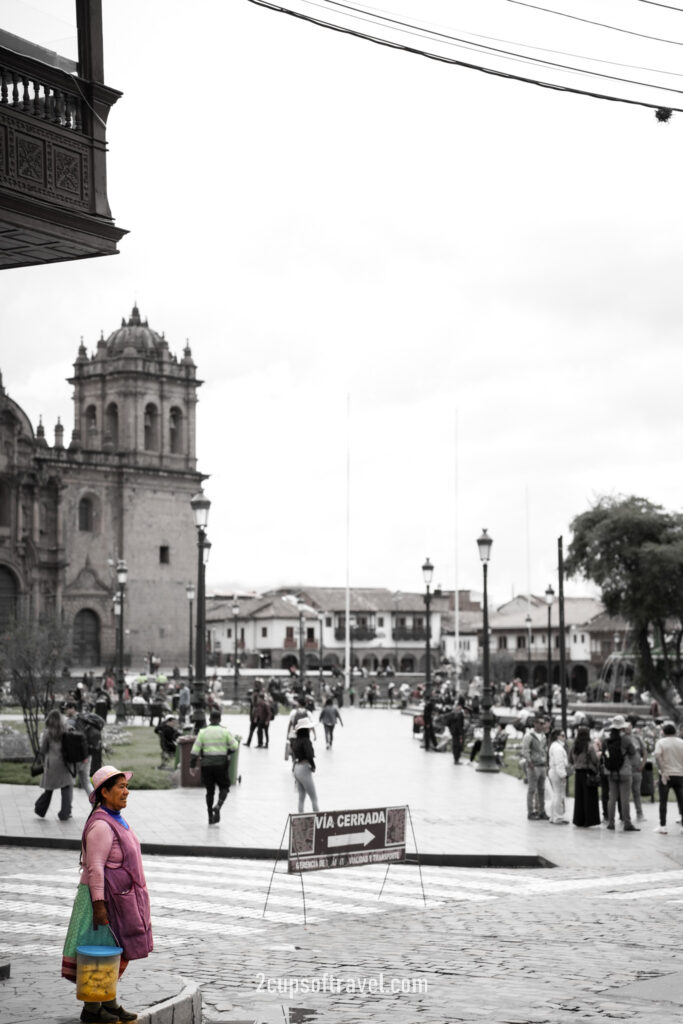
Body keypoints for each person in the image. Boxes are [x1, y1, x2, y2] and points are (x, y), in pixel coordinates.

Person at [61, 765, 153, 1024]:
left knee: (115, 950)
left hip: (119, 897)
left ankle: (109, 1002)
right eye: (121, 787)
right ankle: (91, 1009)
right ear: (105, 792)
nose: (127, 792)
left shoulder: (116, 818)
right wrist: (99, 905)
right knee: (99, 951)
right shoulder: (101, 825)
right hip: (102, 900)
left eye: (126, 786)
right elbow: (95, 867)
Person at [190, 708, 239, 824]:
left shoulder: (202, 732)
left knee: (209, 791)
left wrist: (192, 766)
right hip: (221, 765)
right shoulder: (225, 732)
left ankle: (209, 817)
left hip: (206, 765)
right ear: (220, 719)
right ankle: (218, 806)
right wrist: (227, 751)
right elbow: (234, 747)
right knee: (224, 788)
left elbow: (195, 750)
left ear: (210, 719)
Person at [34, 708, 74, 821]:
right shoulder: (67, 729)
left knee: (49, 789)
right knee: (66, 787)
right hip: (65, 763)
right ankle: (65, 813)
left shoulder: (47, 732)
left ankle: (40, 809)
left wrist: (40, 757)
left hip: (52, 764)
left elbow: (43, 750)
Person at [605, 715, 639, 831]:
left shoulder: (607, 739)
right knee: (625, 799)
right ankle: (627, 823)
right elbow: (633, 752)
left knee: (612, 798)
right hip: (624, 771)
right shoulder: (626, 739)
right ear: (622, 727)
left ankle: (610, 823)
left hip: (611, 772)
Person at [653, 722, 683, 834]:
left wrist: (663, 771)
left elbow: (657, 756)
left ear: (664, 732)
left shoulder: (661, 742)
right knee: (681, 801)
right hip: (680, 775)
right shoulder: (681, 742)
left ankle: (663, 826)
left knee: (663, 801)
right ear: (675, 732)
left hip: (666, 775)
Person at [570, 725, 601, 828]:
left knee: (579, 798)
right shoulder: (589, 746)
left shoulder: (574, 746)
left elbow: (570, 759)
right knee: (589, 798)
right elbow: (595, 760)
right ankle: (589, 820)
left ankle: (579, 820)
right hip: (588, 773)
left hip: (578, 773)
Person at [521, 716, 549, 820]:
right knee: (532, 789)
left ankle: (541, 811)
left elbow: (544, 749)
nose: (542, 725)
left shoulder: (543, 736)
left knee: (541, 790)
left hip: (542, 765)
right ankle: (530, 812)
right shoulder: (529, 736)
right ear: (535, 724)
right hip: (533, 766)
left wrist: (546, 761)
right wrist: (529, 761)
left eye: (543, 723)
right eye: (540, 723)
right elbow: (525, 750)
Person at [64, 702, 94, 795]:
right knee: (86, 782)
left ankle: (67, 807)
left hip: (76, 756)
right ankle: (97, 805)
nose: (65, 711)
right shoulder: (84, 718)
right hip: (87, 754)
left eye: (67, 708)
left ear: (73, 708)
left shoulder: (71, 721)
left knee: (69, 782)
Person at [291, 716, 319, 812]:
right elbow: (309, 755)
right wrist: (313, 766)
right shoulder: (306, 741)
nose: (310, 730)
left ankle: (299, 820)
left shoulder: (296, 741)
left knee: (301, 798)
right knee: (314, 798)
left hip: (297, 768)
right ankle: (318, 821)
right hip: (304, 769)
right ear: (306, 729)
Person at [625, 722, 648, 823]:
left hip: (637, 769)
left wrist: (643, 764)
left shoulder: (637, 738)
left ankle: (639, 813)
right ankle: (625, 815)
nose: (628, 729)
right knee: (625, 794)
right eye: (626, 727)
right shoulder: (622, 739)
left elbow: (644, 751)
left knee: (637, 792)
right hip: (626, 770)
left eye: (629, 727)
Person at [547, 728, 570, 824]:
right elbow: (559, 763)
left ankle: (554, 816)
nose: (564, 737)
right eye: (562, 735)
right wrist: (563, 775)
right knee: (558, 795)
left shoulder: (555, 746)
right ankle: (558, 817)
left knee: (556, 794)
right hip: (557, 772)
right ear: (557, 737)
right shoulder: (558, 748)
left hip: (554, 771)